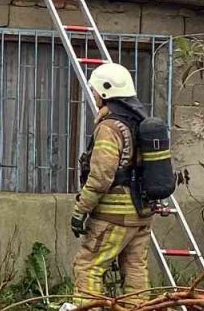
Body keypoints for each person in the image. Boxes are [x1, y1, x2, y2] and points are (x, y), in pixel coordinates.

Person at [61, 62, 153, 310]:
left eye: (94, 91)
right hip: (141, 212)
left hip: (115, 214)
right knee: (135, 269)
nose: (93, 96)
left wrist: (81, 209)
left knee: (88, 265)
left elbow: (101, 175)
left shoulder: (110, 127)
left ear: (104, 92)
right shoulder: (139, 124)